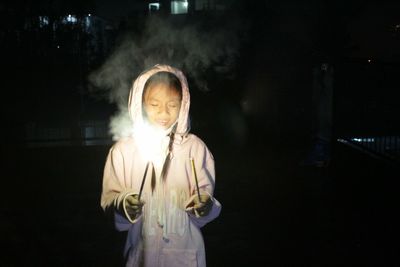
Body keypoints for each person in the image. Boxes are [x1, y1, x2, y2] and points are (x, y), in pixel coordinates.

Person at [100, 64, 221, 266]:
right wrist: (122, 203)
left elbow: (205, 199)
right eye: (154, 104)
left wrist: (204, 204)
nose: (164, 112)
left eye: (173, 105)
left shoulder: (195, 148)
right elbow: (109, 201)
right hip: (142, 256)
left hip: (186, 256)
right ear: (141, 103)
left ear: (183, 105)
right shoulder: (123, 151)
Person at [302, 61, 334, 167]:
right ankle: (320, 161)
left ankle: (321, 162)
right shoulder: (323, 92)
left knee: (323, 141)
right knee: (321, 141)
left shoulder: (329, 92)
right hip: (322, 127)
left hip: (324, 128)